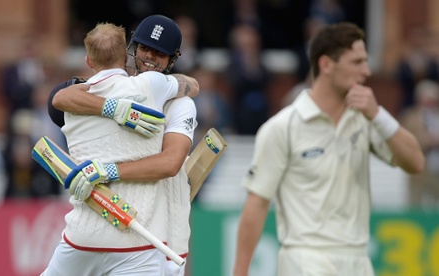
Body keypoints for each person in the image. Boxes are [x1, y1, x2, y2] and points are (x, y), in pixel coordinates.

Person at [233, 22, 425, 276]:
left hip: (358, 259)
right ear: (326, 65)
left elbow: (415, 162)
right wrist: (240, 272)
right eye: (356, 62)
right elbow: (257, 203)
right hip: (304, 259)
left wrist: (378, 115)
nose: (366, 71)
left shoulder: (367, 118)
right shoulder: (283, 126)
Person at [42, 22, 198, 276]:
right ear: (130, 50)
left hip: (158, 234)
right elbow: (58, 99)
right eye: (145, 48)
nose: (149, 57)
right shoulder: (103, 89)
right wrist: (112, 108)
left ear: (171, 59)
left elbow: (170, 164)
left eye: (159, 53)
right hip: (109, 233)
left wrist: (108, 170)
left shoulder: (178, 102)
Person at [400, 79, 439, 210]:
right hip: (418, 169)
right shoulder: (410, 116)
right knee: (415, 204)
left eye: (433, 99)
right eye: (427, 99)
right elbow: (404, 139)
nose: (430, 103)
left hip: (436, 167)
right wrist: (424, 140)